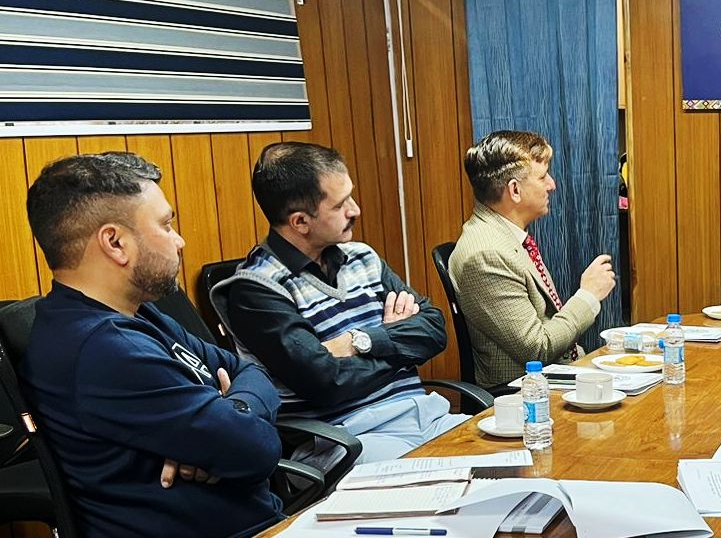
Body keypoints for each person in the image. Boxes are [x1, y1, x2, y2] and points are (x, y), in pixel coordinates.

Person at [22, 153, 283, 538]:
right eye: (165, 225)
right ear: (115, 243)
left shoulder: (136, 314)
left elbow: (250, 369)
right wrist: (229, 429)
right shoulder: (103, 349)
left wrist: (230, 413)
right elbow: (258, 449)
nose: (179, 241)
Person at [215, 142, 464, 463]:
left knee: (515, 452)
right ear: (300, 222)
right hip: (349, 440)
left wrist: (364, 341)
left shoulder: (362, 257)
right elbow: (327, 382)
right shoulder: (257, 290)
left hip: (426, 416)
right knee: (447, 480)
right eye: (340, 204)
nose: (355, 210)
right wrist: (400, 350)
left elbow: (434, 328)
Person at [449, 130, 617, 388]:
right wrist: (588, 296)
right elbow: (538, 349)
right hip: (525, 394)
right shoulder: (485, 254)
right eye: (542, 177)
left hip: (555, 378)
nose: (552, 185)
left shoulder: (506, 235)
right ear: (515, 190)